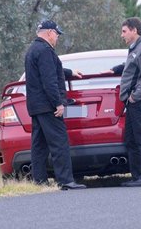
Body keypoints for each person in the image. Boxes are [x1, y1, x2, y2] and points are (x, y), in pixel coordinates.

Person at [25, 20, 86, 190]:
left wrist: (69, 72)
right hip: (48, 106)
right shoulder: (45, 51)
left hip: (36, 106)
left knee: (39, 145)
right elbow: (49, 80)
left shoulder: (33, 50)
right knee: (59, 142)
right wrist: (58, 103)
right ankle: (66, 180)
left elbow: (49, 71)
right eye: (57, 34)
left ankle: (39, 181)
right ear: (50, 32)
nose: (57, 38)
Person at [102, 17, 141, 187]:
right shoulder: (136, 48)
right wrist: (115, 69)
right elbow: (132, 65)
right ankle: (137, 177)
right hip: (133, 102)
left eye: (124, 31)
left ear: (134, 30)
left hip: (140, 101)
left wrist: (134, 96)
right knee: (131, 140)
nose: (122, 35)